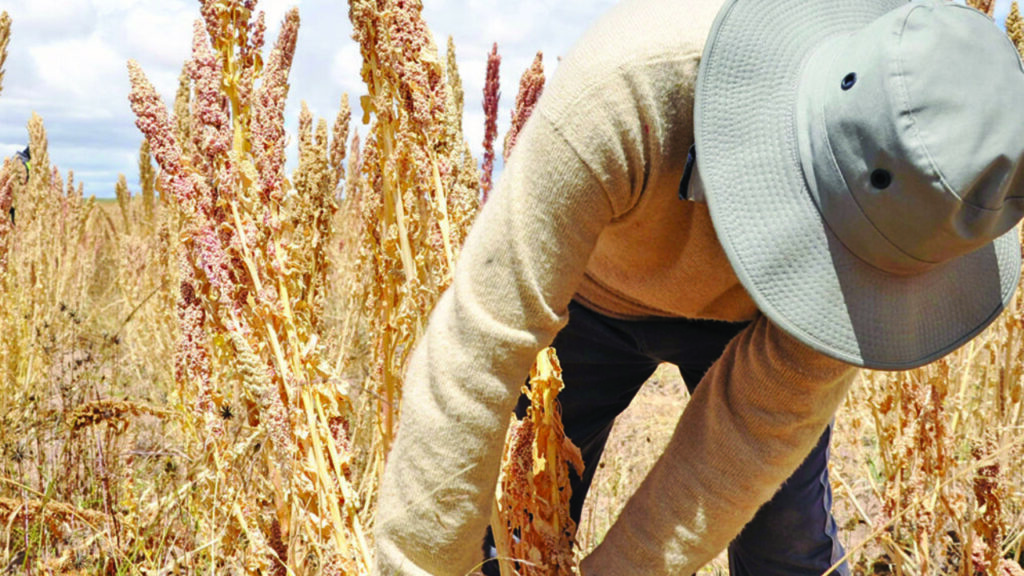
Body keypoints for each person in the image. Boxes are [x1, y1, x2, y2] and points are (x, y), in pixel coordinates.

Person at [372, 0, 1024, 574]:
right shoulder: (626, 88)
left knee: (788, 556)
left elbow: (750, 437)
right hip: (591, 300)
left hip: (769, 321)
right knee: (506, 535)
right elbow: (479, 349)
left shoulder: (912, 221)